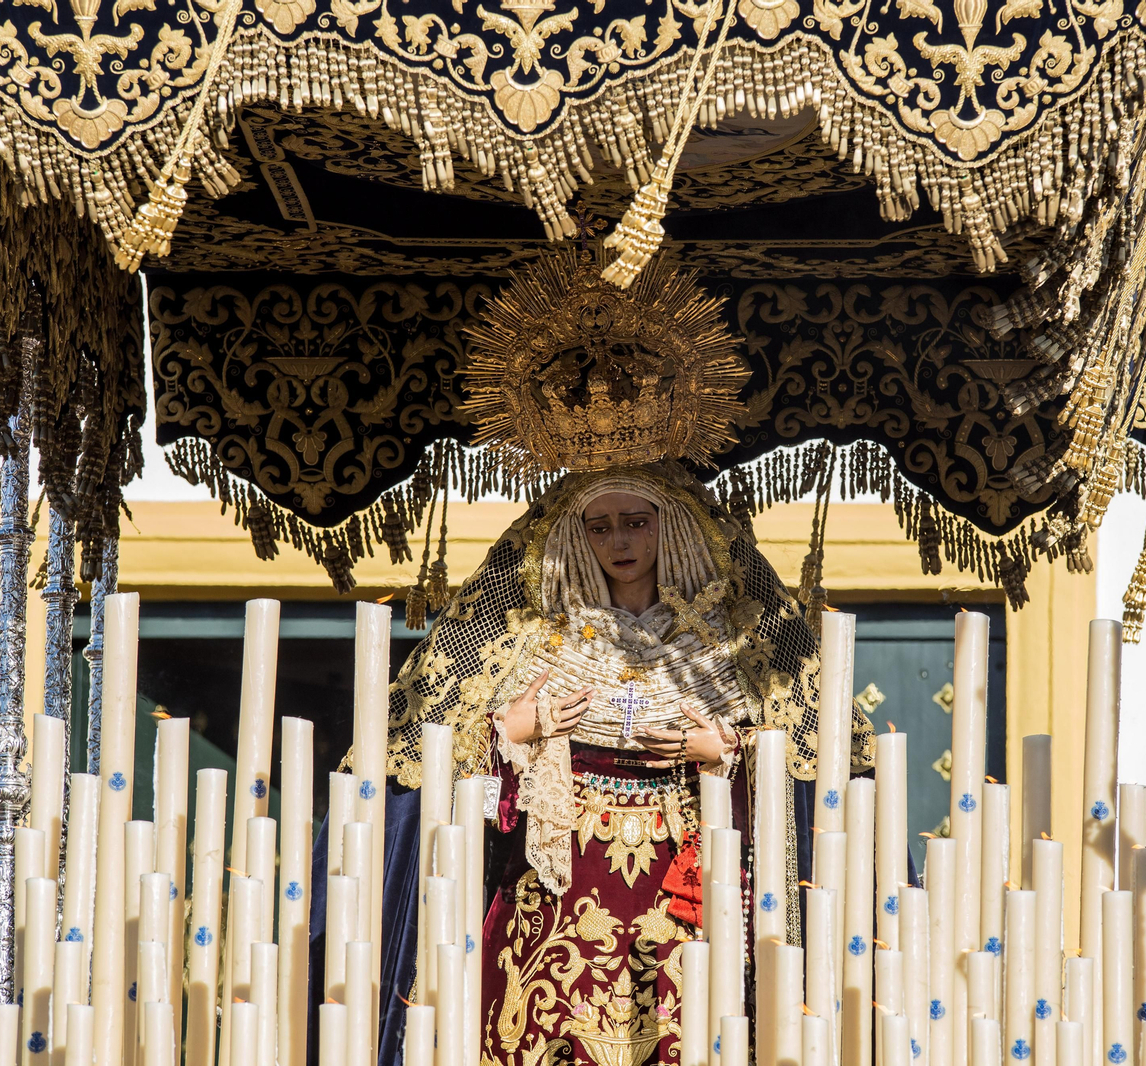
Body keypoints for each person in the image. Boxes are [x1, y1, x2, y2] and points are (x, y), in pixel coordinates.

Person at [331, 249, 874, 1066]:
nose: (619, 541)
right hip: (554, 892)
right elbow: (436, 767)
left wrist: (721, 753)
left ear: (673, 525)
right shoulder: (528, 633)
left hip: (685, 891)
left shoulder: (730, 639)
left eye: (637, 521)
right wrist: (508, 732)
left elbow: (802, 762)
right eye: (600, 524)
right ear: (572, 534)